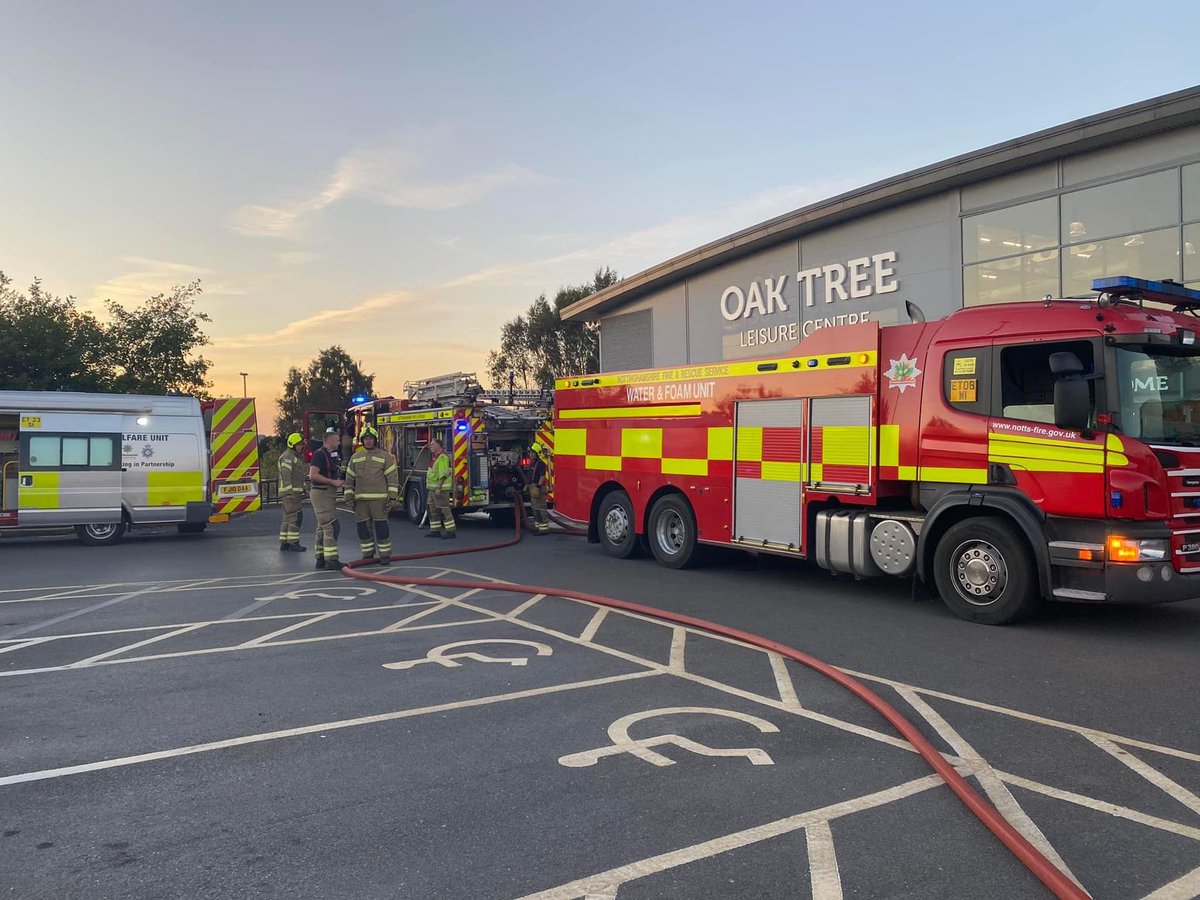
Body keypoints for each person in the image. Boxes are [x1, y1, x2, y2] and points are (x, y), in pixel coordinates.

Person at [344, 425, 399, 565]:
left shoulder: (385, 457)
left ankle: (385, 555)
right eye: (366, 439)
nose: (368, 441)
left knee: (381, 528)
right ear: (362, 441)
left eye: (371, 439)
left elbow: (392, 478)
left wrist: (392, 498)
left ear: (375, 440)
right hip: (360, 500)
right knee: (363, 529)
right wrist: (348, 497)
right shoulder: (355, 457)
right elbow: (349, 479)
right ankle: (368, 554)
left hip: (379, 500)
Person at [308, 428, 344, 569]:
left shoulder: (329, 454)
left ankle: (321, 558)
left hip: (326, 493)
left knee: (322, 527)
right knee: (331, 526)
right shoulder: (319, 454)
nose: (339, 442)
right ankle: (331, 560)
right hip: (322, 493)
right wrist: (332, 482)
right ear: (329, 440)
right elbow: (313, 475)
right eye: (337, 439)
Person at [277, 432, 308, 552]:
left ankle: (284, 543)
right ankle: (294, 542)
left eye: (301, 444)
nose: (301, 447)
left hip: (293, 493)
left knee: (287, 518)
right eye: (299, 444)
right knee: (295, 518)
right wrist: (289, 492)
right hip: (291, 494)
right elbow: (286, 474)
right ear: (292, 445)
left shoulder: (293, 456)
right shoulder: (289, 457)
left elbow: (298, 475)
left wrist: (304, 487)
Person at [425, 438, 456, 539]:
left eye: (433, 444)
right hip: (432, 489)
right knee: (431, 509)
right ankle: (435, 531)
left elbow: (443, 474)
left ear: (439, 445)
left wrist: (439, 487)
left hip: (440, 490)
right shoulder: (435, 458)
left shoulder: (442, 458)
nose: (431, 446)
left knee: (443, 509)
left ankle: (450, 531)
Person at [528, 442, 550, 535]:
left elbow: (542, 476)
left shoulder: (540, 463)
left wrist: (538, 487)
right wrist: (528, 485)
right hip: (534, 487)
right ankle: (538, 527)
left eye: (533, 452)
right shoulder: (533, 463)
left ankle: (543, 529)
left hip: (539, 488)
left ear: (537, 453)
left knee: (540, 509)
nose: (531, 454)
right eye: (530, 452)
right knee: (535, 508)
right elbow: (531, 476)